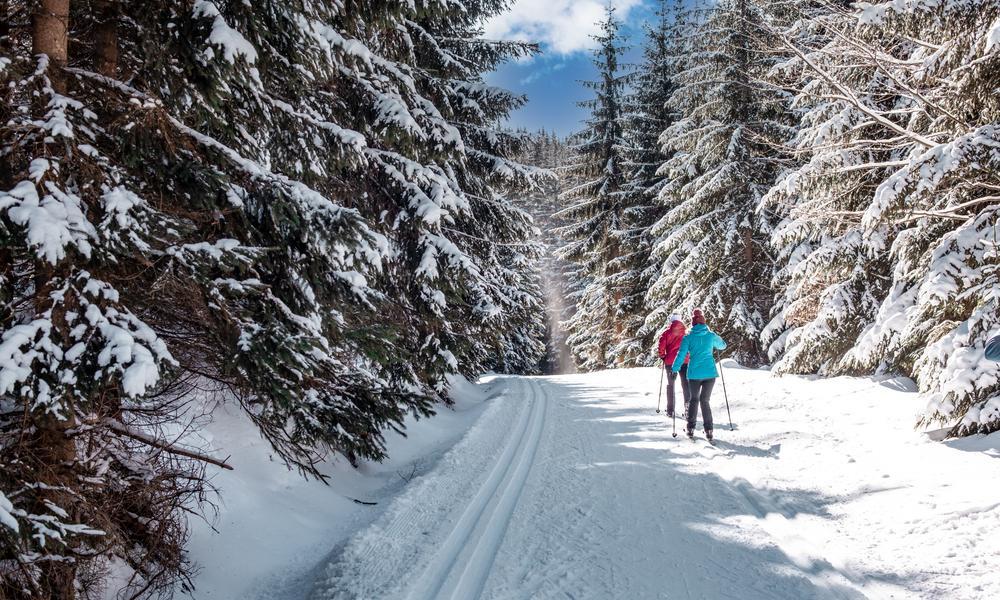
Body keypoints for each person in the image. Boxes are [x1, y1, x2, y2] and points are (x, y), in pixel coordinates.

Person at [671, 309, 726, 441]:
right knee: (705, 401)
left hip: (694, 374)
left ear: (693, 324)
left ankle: (690, 429)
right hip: (709, 374)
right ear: (704, 323)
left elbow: (681, 354)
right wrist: (714, 338)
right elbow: (723, 346)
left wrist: (674, 369)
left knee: (694, 400)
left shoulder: (688, 337)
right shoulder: (710, 335)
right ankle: (709, 430)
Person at [658, 314, 689, 418]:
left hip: (670, 362)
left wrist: (663, 357)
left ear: (671, 322)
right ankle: (688, 409)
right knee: (686, 384)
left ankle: (670, 410)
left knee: (671, 385)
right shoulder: (685, 333)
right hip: (684, 361)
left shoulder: (666, 333)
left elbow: (661, 347)